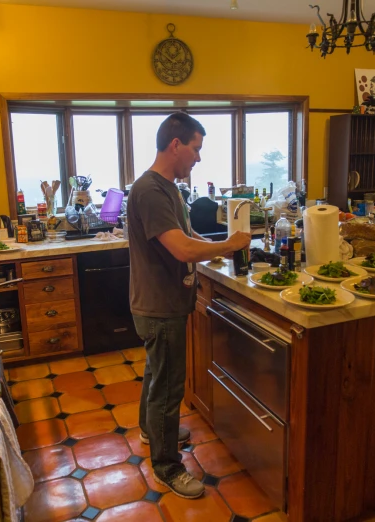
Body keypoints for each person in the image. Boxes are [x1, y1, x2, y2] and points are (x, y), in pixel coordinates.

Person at [127, 112, 252, 499]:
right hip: (159, 305)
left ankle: (152, 429)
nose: (198, 157)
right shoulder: (149, 190)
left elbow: (188, 235)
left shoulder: (170, 189)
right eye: (196, 149)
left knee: (156, 374)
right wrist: (230, 244)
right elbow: (180, 248)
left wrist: (212, 252)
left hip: (163, 302)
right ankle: (167, 467)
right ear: (176, 145)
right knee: (168, 387)